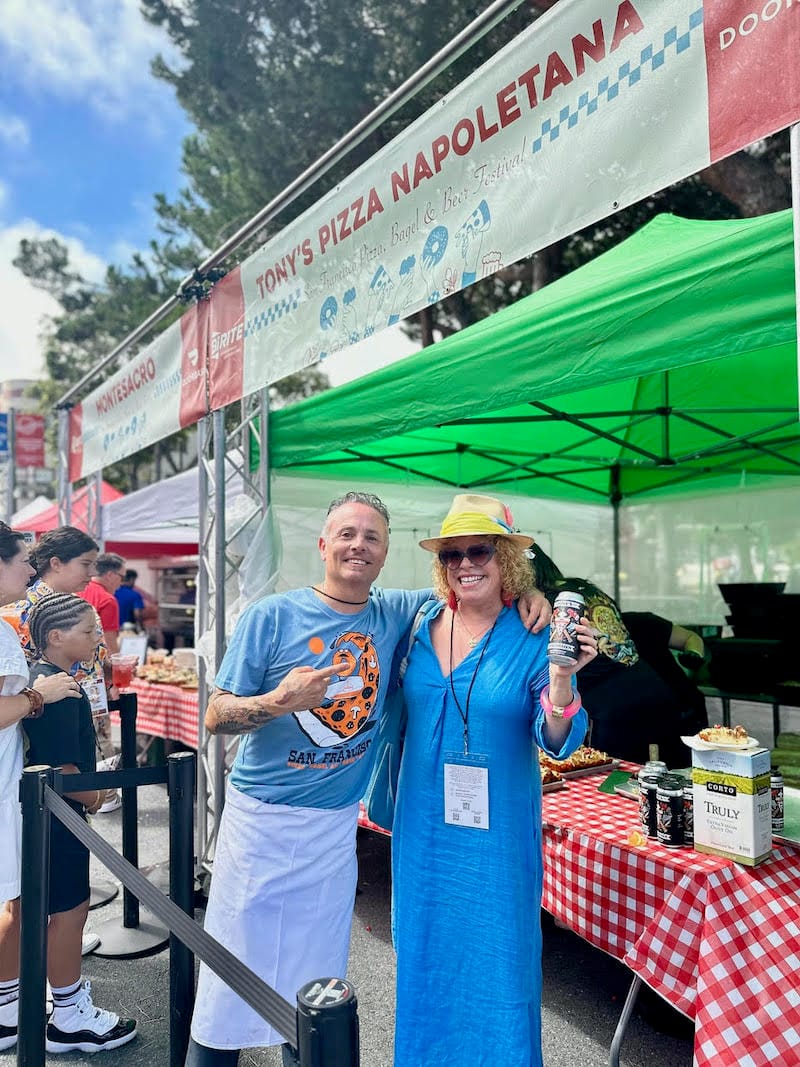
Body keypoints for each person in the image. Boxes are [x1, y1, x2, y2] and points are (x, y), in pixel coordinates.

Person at [185, 491, 553, 1065]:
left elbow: (481, 585)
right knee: (232, 975)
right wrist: (280, 701)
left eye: (372, 537)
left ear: (384, 554)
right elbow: (215, 716)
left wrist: (529, 592)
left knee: (316, 982)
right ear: (324, 543)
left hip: (335, 829)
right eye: (347, 534)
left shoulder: (401, 611)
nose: (359, 545)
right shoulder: (273, 615)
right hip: (263, 820)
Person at [392, 494, 597, 1067]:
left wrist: (561, 681)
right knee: (425, 957)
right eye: (452, 554)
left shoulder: (536, 636)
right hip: (424, 832)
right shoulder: (417, 623)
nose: (465, 563)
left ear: (505, 557)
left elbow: (557, 737)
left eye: (479, 549)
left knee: (499, 962)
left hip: (496, 839)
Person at [17, 593, 136, 1054]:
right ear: (56, 636)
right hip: (61, 818)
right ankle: (68, 1014)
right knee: (70, 913)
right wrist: (102, 793)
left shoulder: (37, 680)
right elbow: (67, 774)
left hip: (37, 815)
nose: (97, 639)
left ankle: (46, 1001)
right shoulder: (61, 689)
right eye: (89, 631)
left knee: (44, 910)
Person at [0, 524, 83, 1053]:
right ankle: (66, 1013)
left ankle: (8, 1008)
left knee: (13, 899)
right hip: (8, 793)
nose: (32, 570)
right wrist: (37, 696)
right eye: (23, 560)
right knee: (24, 899)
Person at [530, 546, 691, 767]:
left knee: (614, 780)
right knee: (665, 780)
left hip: (610, 705)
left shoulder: (545, 603)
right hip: (651, 685)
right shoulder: (584, 588)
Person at [0, 527, 119, 785]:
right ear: (56, 563)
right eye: (85, 564)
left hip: (83, 718)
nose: (92, 574)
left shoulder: (75, 604)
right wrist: (36, 697)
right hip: (53, 733)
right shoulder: (18, 610)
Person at [79, 552, 125, 654]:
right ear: (110, 575)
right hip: (91, 662)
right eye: (122, 578)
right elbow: (110, 644)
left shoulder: (77, 589)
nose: (122, 583)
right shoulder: (107, 600)